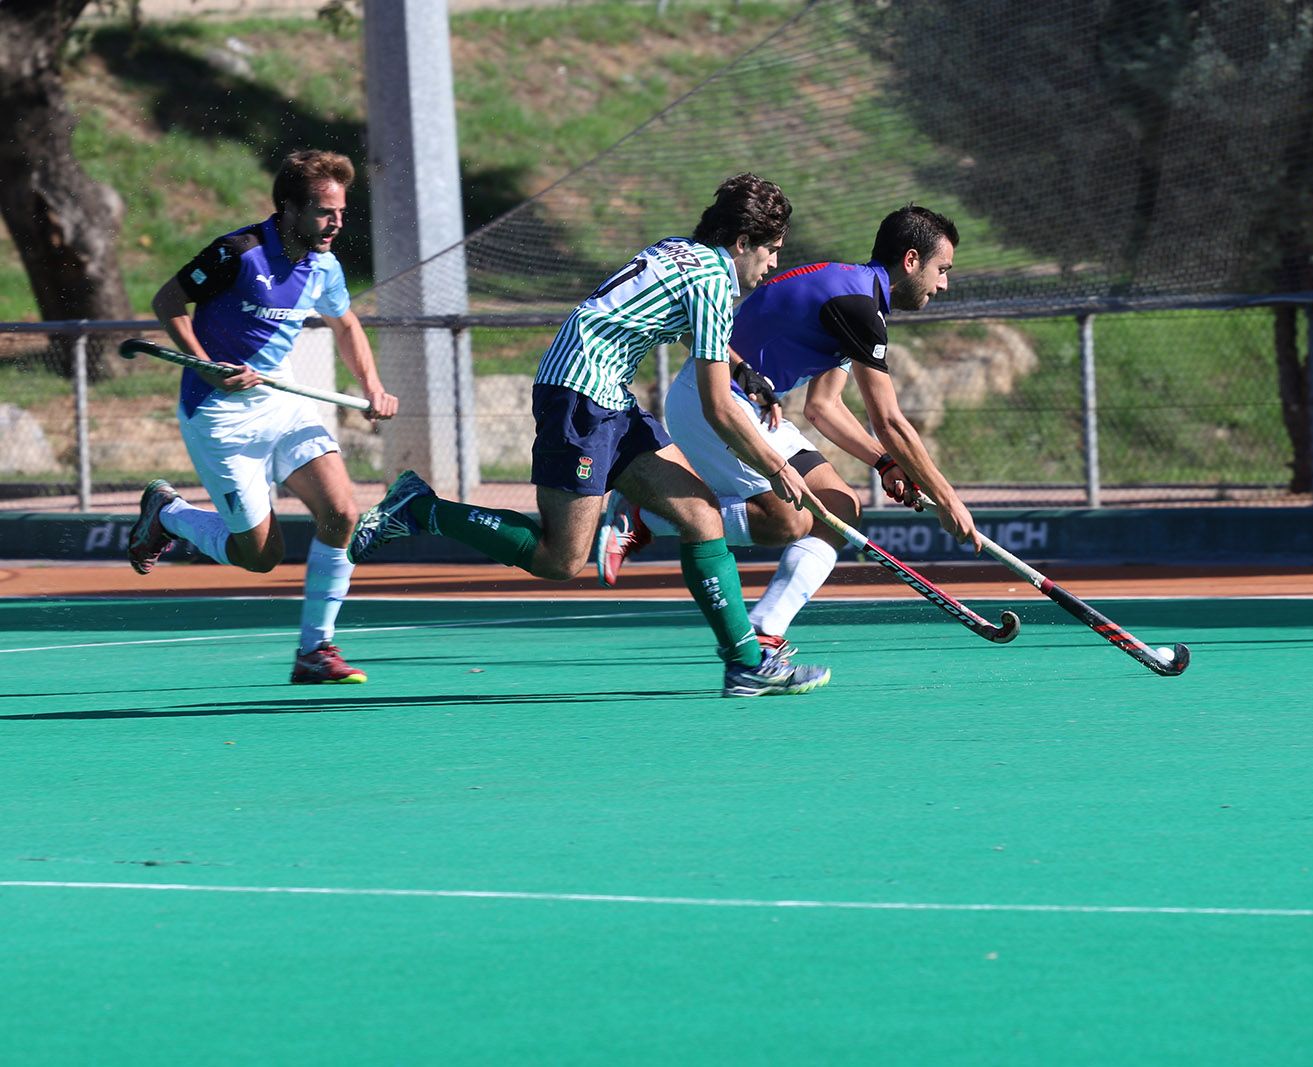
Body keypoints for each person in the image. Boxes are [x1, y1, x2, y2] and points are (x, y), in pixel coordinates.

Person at [346, 173, 831, 698]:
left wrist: (745, 374)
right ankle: (418, 508)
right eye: (772, 251)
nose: (773, 264)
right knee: (561, 558)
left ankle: (745, 664)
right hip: (579, 395)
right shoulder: (715, 281)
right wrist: (777, 467)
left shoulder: (683, 252)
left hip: (606, 394)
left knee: (701, 514)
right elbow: (717, 410)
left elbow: (697, 336)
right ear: (742, 243)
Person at [596, 204, 979, 650]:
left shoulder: (853, 292)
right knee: (786, 520)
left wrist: (885, 462)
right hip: (715, 403)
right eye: (941, 269)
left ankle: (766, 627)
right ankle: (647, 512)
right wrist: (948, 499)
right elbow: (889, 419)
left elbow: (823, 407)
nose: (943, 283)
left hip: (750, 407)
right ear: (911, 261)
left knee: (839, 508)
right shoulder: (856, 304)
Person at [129, 149, 400, 684]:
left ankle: (315, 650)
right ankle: (168, 515)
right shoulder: (238, 252)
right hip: (219, 417)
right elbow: (168, 301)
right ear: (290, 209)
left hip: (281, 403)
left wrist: (372, 386)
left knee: (342, 513)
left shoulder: (324, 266)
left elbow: (345, 325)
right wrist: (206, 367)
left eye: (342, 212)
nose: (337, 224)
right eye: (326, 212)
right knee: (260, 556)